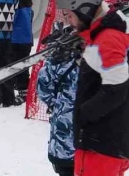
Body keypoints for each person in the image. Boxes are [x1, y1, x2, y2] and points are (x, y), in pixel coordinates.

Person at [55, 0, 129, 176]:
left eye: (69, 15)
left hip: (101, 144)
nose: (68, 21)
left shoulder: (108, 38)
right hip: (108, 141)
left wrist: (82, 115)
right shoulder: (104, 35)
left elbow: (115, 90)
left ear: (84, 9)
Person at [37, 23, 81, 176]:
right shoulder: (98, 57)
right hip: (91, 142)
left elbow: (43, 87)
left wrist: (58, 104)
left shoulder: (57, 60)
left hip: (63, 140)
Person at [11, 0, 34, 105]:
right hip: (27, 39)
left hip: (16, 39)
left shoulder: (15, 1)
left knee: (16, 66)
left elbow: (12, 20)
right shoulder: (28, 2)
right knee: (23, 65)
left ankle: (22, 90)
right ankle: (24, 89)